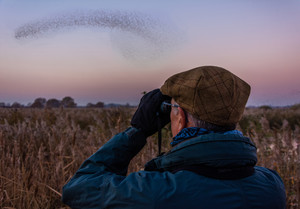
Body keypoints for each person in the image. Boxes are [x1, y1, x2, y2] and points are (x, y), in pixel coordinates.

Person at [62, 66, 286, 209]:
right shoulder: (272, 184)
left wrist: (137, 131)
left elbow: (78, 188)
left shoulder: (156, 192)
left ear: (180, 117)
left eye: (173, 108)